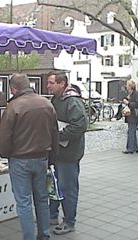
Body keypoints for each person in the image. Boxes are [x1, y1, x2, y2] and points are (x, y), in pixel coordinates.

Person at [0, 73, 59, 240]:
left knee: (24, 202)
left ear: (13, 89)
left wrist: (5, 154)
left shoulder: (13, 107)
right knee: (41, 199)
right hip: (42, 158)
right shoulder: (47, 104)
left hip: (20, 160)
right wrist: (52, 159)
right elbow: (54, 134)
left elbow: (3, 136)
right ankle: (44, 235)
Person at [47, 72, 87, 235]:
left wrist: (58, 136)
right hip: (57, 152)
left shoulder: (72, 101)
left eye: (51, 83)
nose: (48, 86)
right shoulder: (56, 99)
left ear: (62, 83)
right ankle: (52, 215)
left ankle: (69, 221)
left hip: (69, 154)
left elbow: (80, 126)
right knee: (54, 185)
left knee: (68, 188)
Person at [122, 79, 138, 154]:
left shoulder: (136, 94)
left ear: (130, 86)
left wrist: (128, 103)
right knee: (132, 131)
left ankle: (130, 149)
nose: (126, 86)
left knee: (130, 131)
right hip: (131, 116)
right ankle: (135, 148)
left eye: (127, 85)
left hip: (134, 116)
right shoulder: (130, 94)